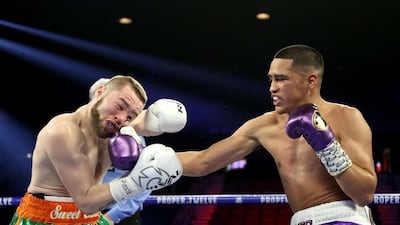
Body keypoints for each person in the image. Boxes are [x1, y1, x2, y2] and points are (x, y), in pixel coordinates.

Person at [177, 44, 378, 225]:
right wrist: (150, 157)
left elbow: (364, 195)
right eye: (271, 79)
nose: (272, 88)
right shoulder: (264, 126)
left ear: (311, 81)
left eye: (282, 79)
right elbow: (203, 162)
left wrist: (326, 144)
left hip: (344, 218)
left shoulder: (346, 117)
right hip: (300, 220)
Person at [9, 74, 184, 225]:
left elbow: (146, 123)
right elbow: (85, 201)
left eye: (130, 116)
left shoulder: (117, 129)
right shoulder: (63, 131)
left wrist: (161, 120)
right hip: (45, 218)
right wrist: (135, 182)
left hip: (89, 218)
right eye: (120, 106)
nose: (122, 118)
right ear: (100, 92)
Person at [88, 77, 187, 224]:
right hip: (82, 208)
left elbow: (144, 182)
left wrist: (109, 219)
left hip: (117, 213)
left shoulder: (132, 139)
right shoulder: (76, 133)